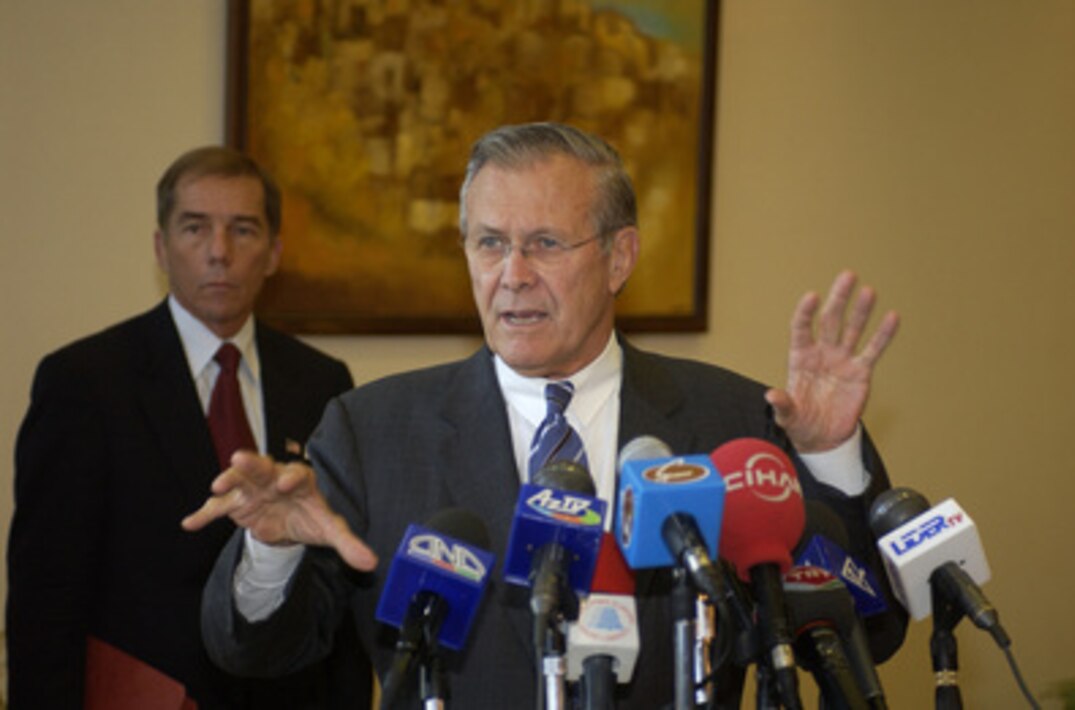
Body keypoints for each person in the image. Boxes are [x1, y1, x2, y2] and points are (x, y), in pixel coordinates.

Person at [184, 123, 907, 708]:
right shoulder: (371, 431)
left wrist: (831, 457)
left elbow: (871, 633)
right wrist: (271, 552)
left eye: (546, 244)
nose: (512, 274)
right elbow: (258, 652)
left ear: (620, 257)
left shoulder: (733, 420)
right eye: (490, 242)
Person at [7, 146, 371, 708]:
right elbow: (45, 597)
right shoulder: (84, 381)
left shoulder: (321, 380)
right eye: (195, 228)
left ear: (273, 253)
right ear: (161, 247)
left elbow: (337, 584)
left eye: (243, 230)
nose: (219, 253)